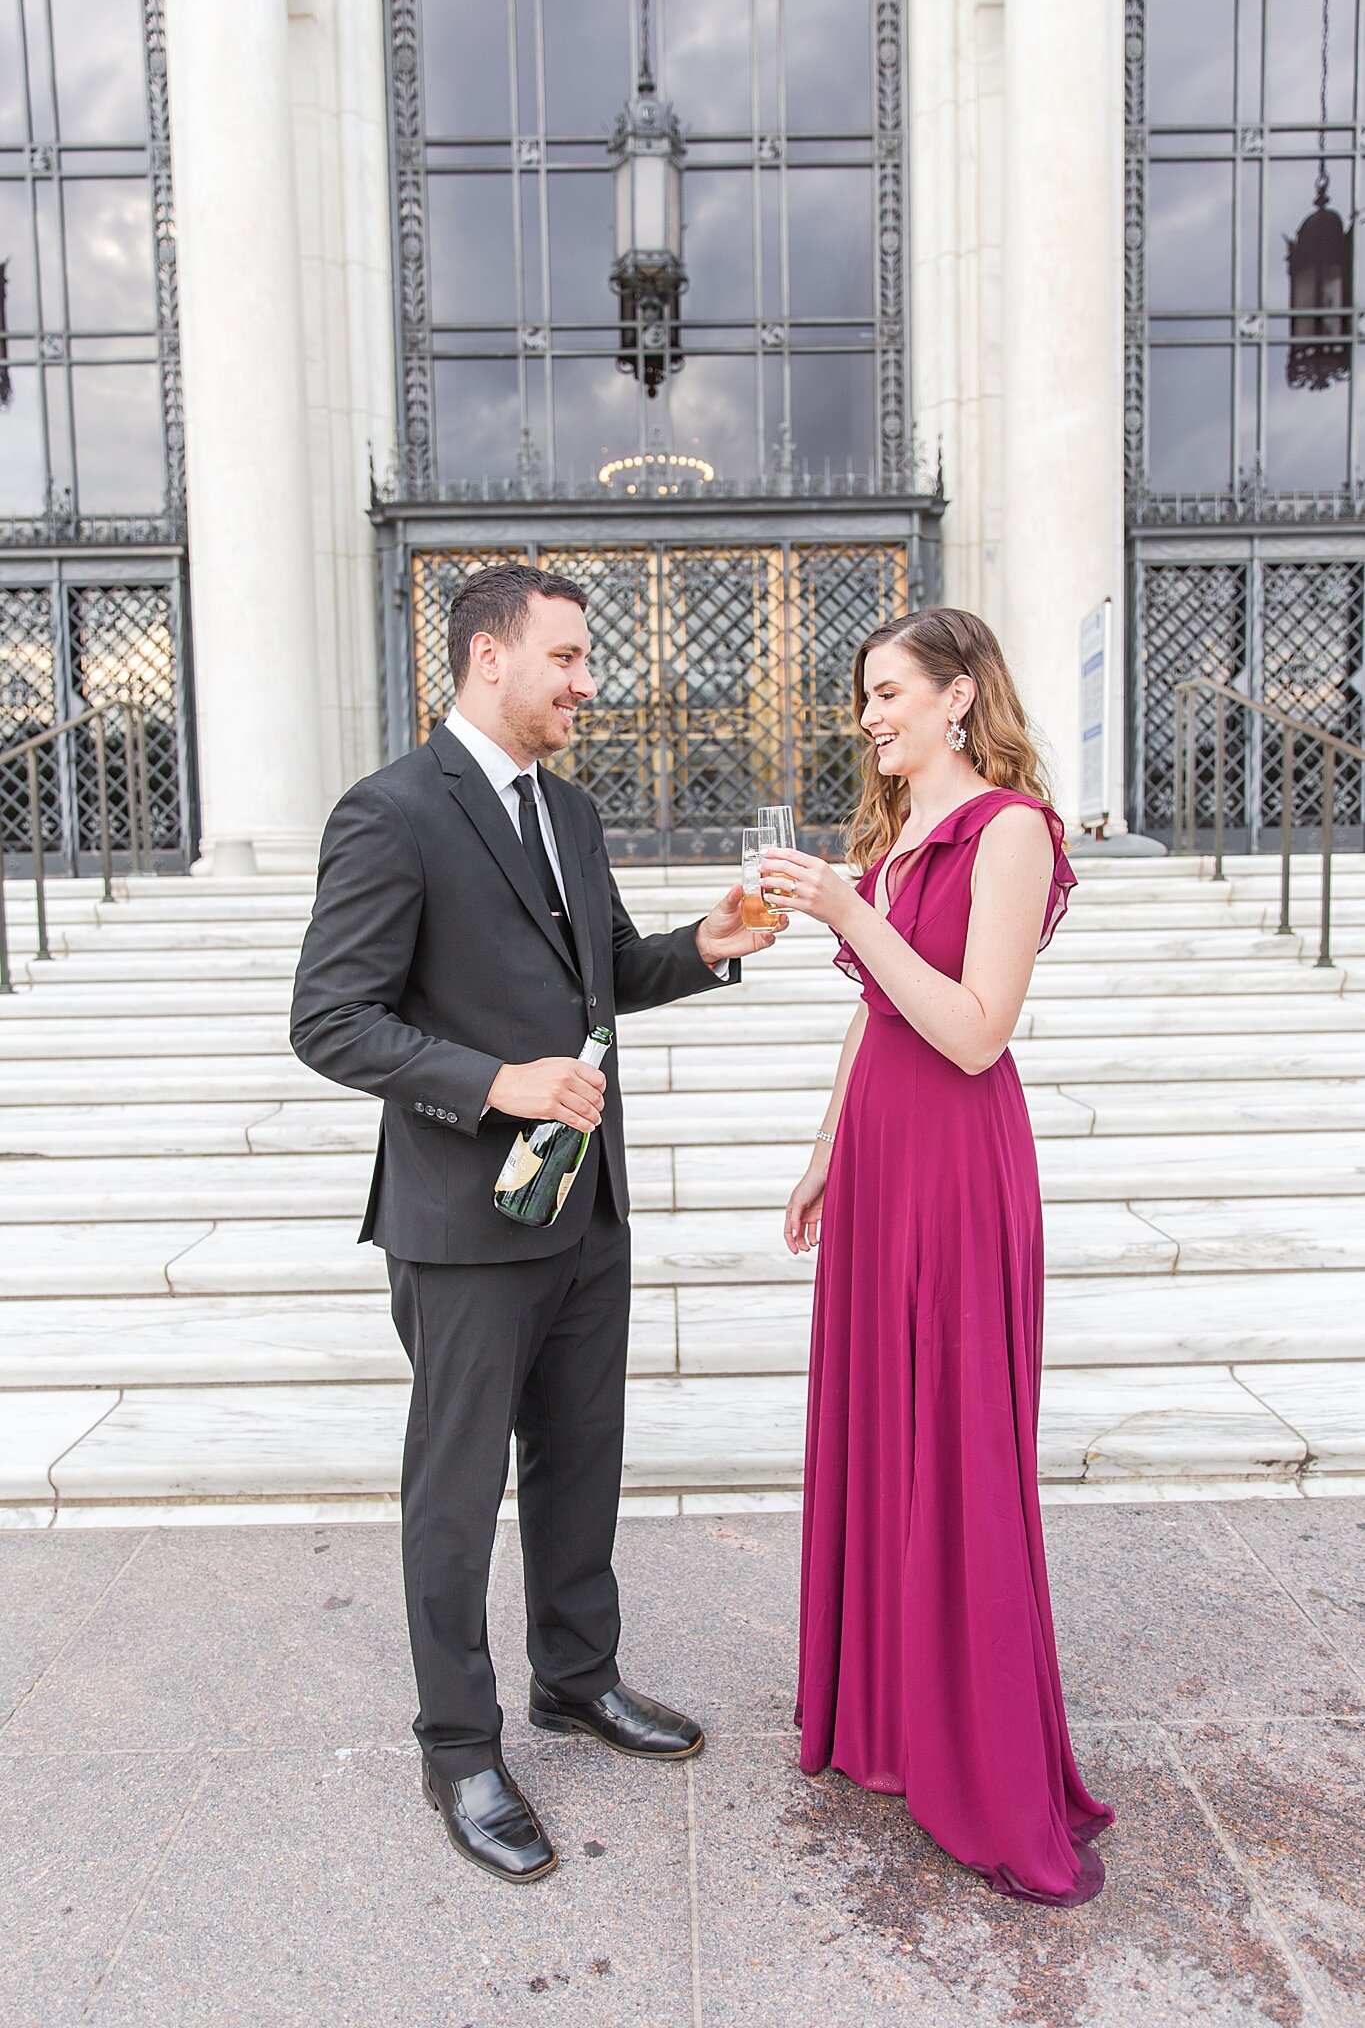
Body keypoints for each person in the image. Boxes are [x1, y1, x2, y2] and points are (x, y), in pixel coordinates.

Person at [290, 563, 780, 1884]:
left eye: (584, 660)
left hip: (583, 1211)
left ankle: (577, 1679)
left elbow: (603, 972)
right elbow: (329, 1020)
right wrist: (492, 1085)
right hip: (461, 1222)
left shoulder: (566, 808)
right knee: (452, 1497)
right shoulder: (390, 812)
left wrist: (705, 943)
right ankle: (459, 1750)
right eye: (565, 657)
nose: (585, 682)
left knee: (580, 1462)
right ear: (486, 659)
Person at [761, 606, 1113, 1907]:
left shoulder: (1010, 832)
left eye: (891, 692)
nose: (869, 714)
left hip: (960, 1168)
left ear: (960, 695)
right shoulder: (896, 834)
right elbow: (873, 1025)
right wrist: (821, 1154)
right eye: (863, 695)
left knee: (953, 1443)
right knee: (879, 1431)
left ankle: (975, 1748)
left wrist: (852, 912)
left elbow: (972, 1030)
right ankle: (886, 1719)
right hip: (881, 1165)